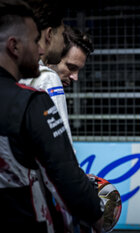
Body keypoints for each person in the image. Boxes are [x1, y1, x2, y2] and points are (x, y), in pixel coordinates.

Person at [0, 0, 103, 232]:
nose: (41, 50)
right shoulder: (35, 95)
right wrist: (94, 214)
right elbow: (61, 167)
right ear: (14, 46)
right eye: (36, 40)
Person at [19, 0, 73, 144]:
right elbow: (63, 144)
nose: (63, 43)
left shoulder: (13, 73)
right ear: (49, 34)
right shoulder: (47, 78)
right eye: (62, 35)